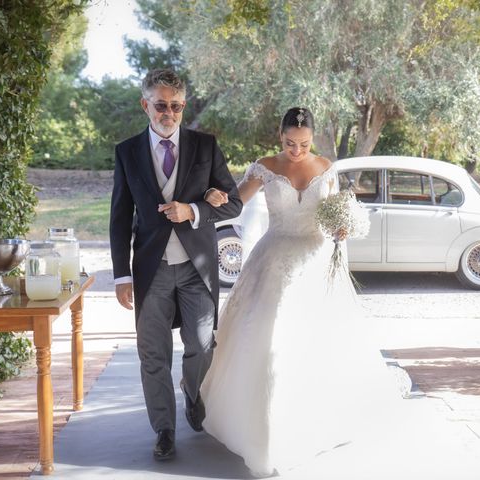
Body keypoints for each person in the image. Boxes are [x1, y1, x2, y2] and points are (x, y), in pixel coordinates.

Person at [200, 107, 407, 477]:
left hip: (313, 259)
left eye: (304, 144)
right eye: (289, 143)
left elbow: (330, 213)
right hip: (274, 256)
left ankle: (311, 418)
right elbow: (237, 200)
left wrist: (342, 229)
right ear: (279, 137)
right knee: (268, 333)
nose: (296, 150)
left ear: (313, 140)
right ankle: (261, 429)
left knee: (314, 339)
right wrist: (217, 198)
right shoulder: (263, 167)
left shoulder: (326, 167)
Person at [109, 68, 242, 461]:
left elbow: (233, 203)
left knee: (202, 345)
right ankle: (164, 429)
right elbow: (119, 217)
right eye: (161, 105)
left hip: (196, 266)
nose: (169, 113)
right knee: (153, 354)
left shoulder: (205, 146)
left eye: (177, 106)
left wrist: (194, 210)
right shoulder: (127, 151)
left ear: (184, 107)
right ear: (145, 104)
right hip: (151, 269)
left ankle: (191, 388)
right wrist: (121, 274)